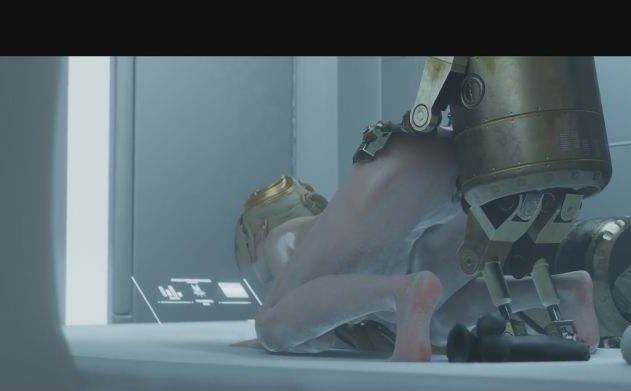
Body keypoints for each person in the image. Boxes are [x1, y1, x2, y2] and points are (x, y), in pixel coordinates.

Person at [235, 129, 599, 362]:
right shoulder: (356, 239)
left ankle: (402, 293)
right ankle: (567, 290)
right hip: (481, 172)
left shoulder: (282, 239)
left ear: (260, 229)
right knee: (436, 321)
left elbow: (319, 334)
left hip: (413, 166)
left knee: (271, 326)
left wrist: (259, 343)